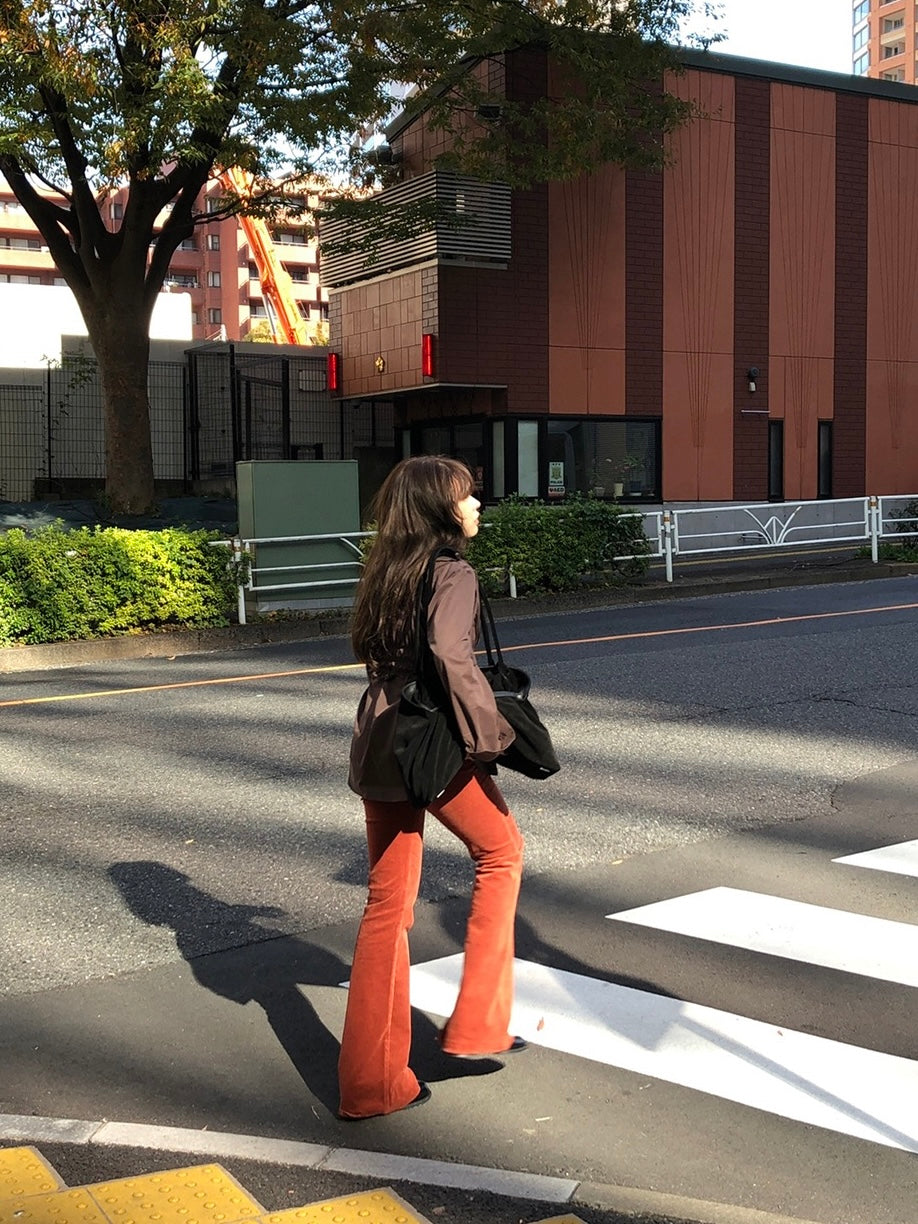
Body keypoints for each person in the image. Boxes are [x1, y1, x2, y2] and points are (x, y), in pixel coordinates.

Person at [337, 455, 526, 1120]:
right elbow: (450, 657)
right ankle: (476, 1023)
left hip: (379, 737)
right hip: (433, 741)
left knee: (386, 907)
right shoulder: (451, 573)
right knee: (501, 853)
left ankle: (369, 1084)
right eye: (468, 497)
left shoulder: (384, 569)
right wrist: (489, 737)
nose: (477, 507)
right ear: (441, 510)